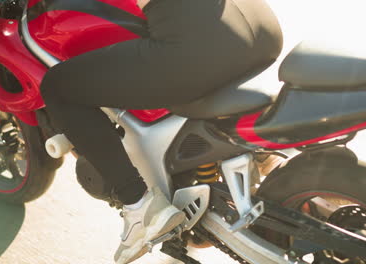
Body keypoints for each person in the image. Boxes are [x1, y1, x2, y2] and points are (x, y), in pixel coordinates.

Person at [39, 0, 283, 263]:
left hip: (205, 41)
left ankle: (139, 207)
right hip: (259, 25)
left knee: (59, 86)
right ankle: (259, 156)